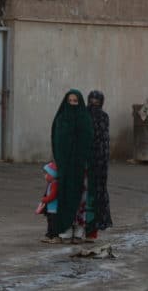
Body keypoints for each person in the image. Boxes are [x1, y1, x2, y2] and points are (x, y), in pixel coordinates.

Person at [51, 89, 96, 243]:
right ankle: (65, 228)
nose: (72, 104)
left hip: (81, 166)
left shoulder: (85, 119)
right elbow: (56, 142)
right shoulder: (61, 119)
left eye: (75, 101)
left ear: (80, 102)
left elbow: (89, 141)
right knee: (65, 196)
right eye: (69, 101)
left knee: (81, 198)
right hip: (65, 166)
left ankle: (79, 230)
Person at [86, 90, 113, 241]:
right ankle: (83, 227)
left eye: (97, 101)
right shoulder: (83, 115)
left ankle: (92, 228)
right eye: (92, 101)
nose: (94, 104)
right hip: (87, 161)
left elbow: (103, 141)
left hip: (98, 162)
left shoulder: (103, 117)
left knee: (95, 194)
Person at [38, 161, 61, 244]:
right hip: (51, 208)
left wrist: (45, 200)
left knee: (54, 222)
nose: (45, 176)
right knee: (50, 221)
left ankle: (55, 236)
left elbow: (52, 196)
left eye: (47, 173)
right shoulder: (50, 184)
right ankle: (49, 235)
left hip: (54, 208)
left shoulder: (55, 184)